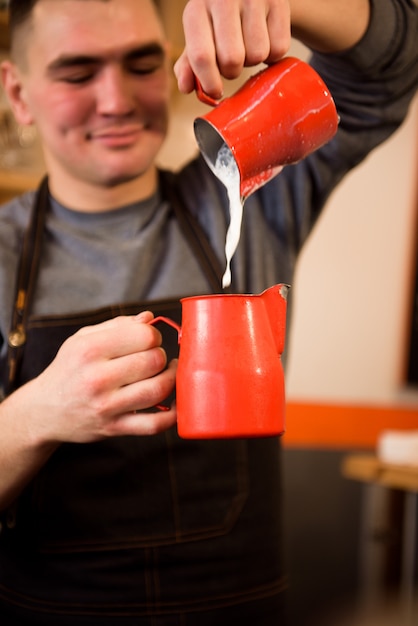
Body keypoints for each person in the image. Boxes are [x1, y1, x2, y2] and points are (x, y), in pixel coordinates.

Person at [0, 0, 416, 624]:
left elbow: (390, 72)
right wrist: (36, 415)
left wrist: (291, 3)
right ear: (19, 92)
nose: (114, 100)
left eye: (141, 63)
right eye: (77, 73)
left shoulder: (247, 192)